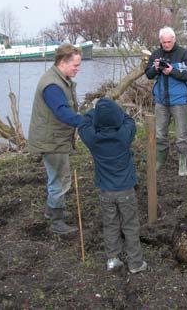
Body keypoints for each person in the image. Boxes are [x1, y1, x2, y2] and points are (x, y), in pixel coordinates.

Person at [77, 98, 147, 274]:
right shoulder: (124, 135)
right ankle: (136, 263)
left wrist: (96, 111)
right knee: (130, 226)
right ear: (117, 117)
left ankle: (113, 259)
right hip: (125, 190)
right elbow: (128, 119)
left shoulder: (92, 139)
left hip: (105, 191)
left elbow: (83, 122)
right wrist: (116, 111)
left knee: (110, 224)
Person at [28, 44, 84, 234]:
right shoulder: (52, 85)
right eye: (75, 65)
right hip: (51, 141)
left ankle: (50, 211)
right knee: (60, 180)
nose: (78, 68)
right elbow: (62, 113)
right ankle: (57, 222)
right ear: (62, 62)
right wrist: (85, 121)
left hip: (55, 138)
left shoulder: (61, 79)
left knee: (56, 178)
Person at [145, 26, 187, 176]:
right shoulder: (156, 54)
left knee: (181, 135)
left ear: (174, 39)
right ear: (160, 41)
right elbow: (149, 75)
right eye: (164, 42)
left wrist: (173, 71)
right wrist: (156, 67)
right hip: (161, 101)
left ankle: (182, 163)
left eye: (169, 42)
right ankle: (161, 159)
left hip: (179, 100)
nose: (166, 45)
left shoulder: (184, 54)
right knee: (159, 134)